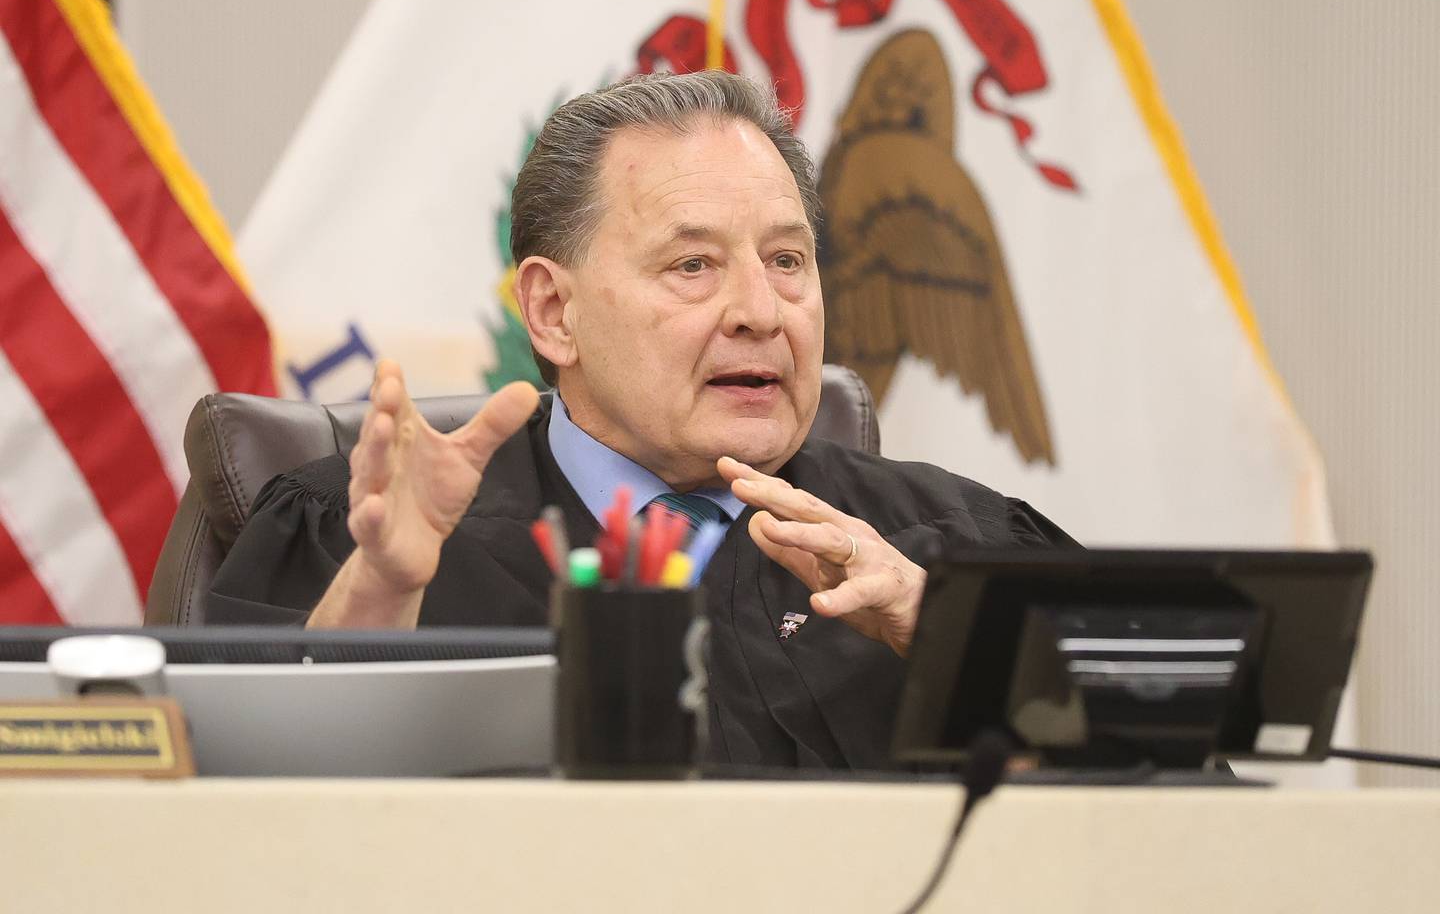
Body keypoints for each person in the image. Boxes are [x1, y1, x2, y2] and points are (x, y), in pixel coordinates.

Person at [209, 71, 1073, 769]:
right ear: (553, 312)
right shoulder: (365, 542)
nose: (761, 312)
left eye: (786, 261)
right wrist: (385, 591)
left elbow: (1171, 822)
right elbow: (233, 834)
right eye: (693, 264)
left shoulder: (960, 547)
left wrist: (965, 645)